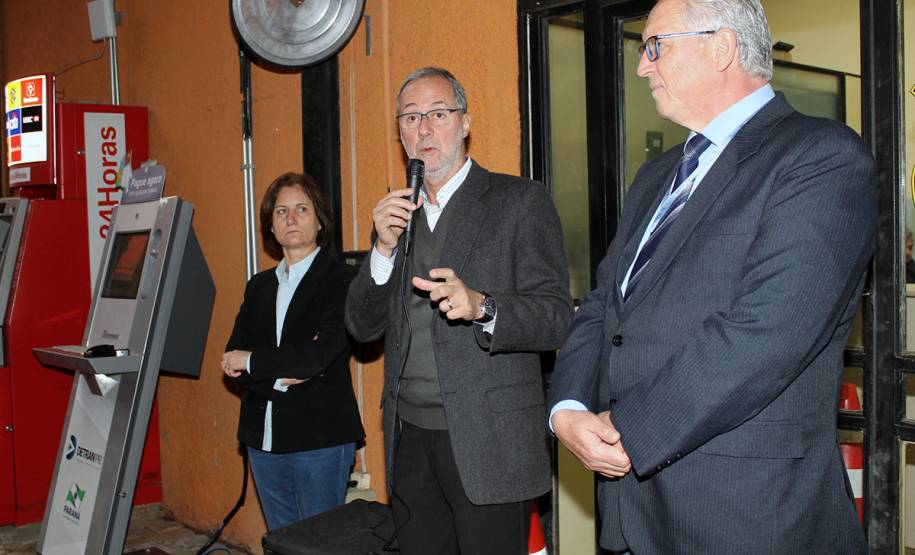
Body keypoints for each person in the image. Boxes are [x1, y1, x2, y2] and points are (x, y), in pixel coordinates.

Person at [548, 0, 876, 553]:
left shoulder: (821, 157)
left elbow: (767, 334)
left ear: (721, 47)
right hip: (632, 510)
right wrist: (568, 409)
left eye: (655, 46)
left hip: (745, 513)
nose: (642, 67)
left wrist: (629, 430)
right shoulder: (656, 176)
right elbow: (605, 303)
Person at [345, 67, 572, 554]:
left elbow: (556, 317)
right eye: (410, 118)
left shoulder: (519, 201)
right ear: (400, 132)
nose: (423, 129)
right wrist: (382, 249)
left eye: (438, 114)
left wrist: (483, 307)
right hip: (408, 437)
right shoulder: (396, 216)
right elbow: (361, 326)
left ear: (465, 122)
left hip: (490, 440)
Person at [222, 172, 365, 531]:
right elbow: (232, 359)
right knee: (282, 540)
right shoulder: (259, 286)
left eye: (302, 209)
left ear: (320, 221)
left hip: (320, 438)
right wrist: (283, 368)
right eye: (281, 211)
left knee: (320, 541)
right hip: (262, 438)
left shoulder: (341, 279)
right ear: (270, 226)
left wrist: (255, 361)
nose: (291, 218)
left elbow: (318, 355)